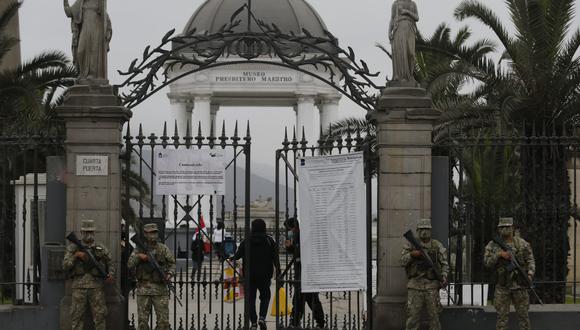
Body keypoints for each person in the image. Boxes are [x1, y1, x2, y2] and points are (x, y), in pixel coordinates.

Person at [484, 217, 535, 330]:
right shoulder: (493, 245)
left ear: (512, 228)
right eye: (502, 227)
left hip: (520, 286)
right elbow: (487, 263)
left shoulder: (522, 244)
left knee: (524, 318)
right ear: (498, 229)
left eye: (507, 227)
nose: (505, 229)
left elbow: (530, 260)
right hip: (502, 286)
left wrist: (530, 274)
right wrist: (499, 255)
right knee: (501, 319)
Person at [62, 219, 114, 330]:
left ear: (94, 232)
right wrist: (76, 256)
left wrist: (110, 274)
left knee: (100, 317)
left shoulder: (100, 248)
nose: (88, 234)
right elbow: (65, 265)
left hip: (97, 288)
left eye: (90, 232)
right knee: (77, 318)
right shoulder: (73, 248)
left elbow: (110, 263)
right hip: (79, 288)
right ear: (81, 232)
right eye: (86, 232)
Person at [230, 219, 280, 330]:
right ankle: (262, 318)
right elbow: (276, 258)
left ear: (252, 227)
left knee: (250, 299)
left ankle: (253, 322)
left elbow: (237, 256)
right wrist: (279, 273)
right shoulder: (269, 240)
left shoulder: (246, 241)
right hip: (265, 274)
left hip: (249, 274)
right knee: (265, 296)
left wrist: (229, 258)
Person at [400, 218, 449, 330]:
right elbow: (401, 261)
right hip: (415, 286)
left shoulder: (437, 245)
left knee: (434, 317)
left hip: (432, 287)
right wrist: (412, 255)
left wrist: (444, 276)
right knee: (413, 318)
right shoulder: (411, 245)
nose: (424, 232)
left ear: (430, 230)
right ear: (417, 230)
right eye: (422, 229)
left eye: (427, 229)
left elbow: (445, 264)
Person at [128, 223, 176, 330]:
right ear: (145, 234)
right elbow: (130, 264)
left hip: (160, 290)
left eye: (155, 232)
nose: (153, 235)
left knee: (163, 322)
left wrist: (169, 274)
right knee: (142, 323)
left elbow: (172, 263)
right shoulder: (138, 249)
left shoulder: (163, 248)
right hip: (143, 289)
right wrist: (139, 256)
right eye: (151, 233)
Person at [284, 217, 325, 329]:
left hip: (307, 272)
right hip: (301, 272)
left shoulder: (303, 236)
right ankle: (296, 322)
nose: (289, 231)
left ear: (294, 227)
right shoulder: (297, 236)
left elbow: (303, 252)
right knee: (301, 299)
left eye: (289, 228)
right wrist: (290, 248)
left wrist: (292, 247)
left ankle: (317, 322)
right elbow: (297, 252)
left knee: (309, 299)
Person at [63, 0, 112, 79]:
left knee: (93, 52)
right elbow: (69, 12)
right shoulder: (80, 2)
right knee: (80, 51)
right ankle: (82, 74)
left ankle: (92, 74)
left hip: (96, 30)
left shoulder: (99, 3)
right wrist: (65, 1)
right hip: (85, 29)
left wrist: (108, 30)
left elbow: (105, 18)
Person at [388, 0, 419, 83]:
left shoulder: (413, 4)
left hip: (410, 28)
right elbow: (392, 18)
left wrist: (407, 12)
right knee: (401, 53)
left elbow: (417, 18)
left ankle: (410, 76)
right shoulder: (396, 3)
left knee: (411, 53)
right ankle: (402, 77)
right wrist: (389, 32)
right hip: (399, 28)